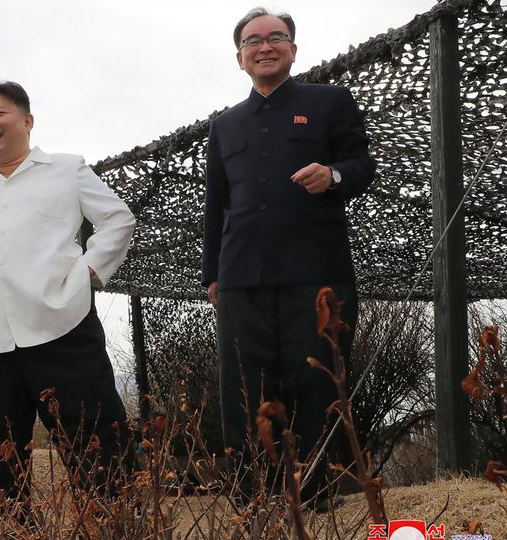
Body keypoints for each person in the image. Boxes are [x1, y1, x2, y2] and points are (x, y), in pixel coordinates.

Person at [0, 81, 136, 508]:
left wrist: (88, 272)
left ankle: (116, 520)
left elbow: (117, 220)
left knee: (95, 442)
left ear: (27, 121)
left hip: (62, 327)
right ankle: (7, 528)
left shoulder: (66, 169)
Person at [201, 7, 375, 507]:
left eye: (276, 37)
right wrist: (212, 274)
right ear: (240, 59)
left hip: (316, 272)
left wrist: (334, 175)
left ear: (293, 50)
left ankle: (316, 492)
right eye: (253, 41)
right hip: (240, 277)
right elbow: (217, 205)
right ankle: (249, 491)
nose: (265, 46)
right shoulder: (225, 125)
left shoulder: (330, 103)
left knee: (316, 376)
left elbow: (363, 165)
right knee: (243, 384)